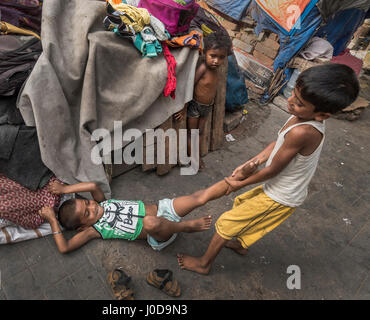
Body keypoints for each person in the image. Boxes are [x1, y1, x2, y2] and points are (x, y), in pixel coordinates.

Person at [177, 64, 360, 274]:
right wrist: (254, 161)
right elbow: (277, 144)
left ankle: (204, 264)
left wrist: (240, 183)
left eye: (299, 103)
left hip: (282, 195)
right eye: (293, 94)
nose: (290, 101)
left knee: (226, 223)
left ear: (323, 115)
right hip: (279, 186)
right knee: (242, 205)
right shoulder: (301, 116)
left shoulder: (304, 132)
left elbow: (273, 170)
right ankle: (240, 244)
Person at [38, 162, 258, 254]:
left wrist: (64, 190)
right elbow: (64, 248)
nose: (92, 207)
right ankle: (186, 227)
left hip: (164, 209)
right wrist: (52, 220)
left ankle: (235, 179)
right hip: (159, 234)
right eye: (87, 213)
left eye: (87, 202)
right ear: (82, 226)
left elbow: (93, 186)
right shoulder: (93, 231)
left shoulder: (102, 201)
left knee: (199, 197)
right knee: (149, 222)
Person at [174, 31, 232, 170]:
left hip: (207, 106)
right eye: (213, 56)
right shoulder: (203, 68)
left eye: (221, 57)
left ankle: (197, 156)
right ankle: (195, 159)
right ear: (205, 53)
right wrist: (184, 107)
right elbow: (190, 86)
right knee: (192, 133)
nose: (216, 61)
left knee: (199, 132)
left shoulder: (216, 68)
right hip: (195, 106)